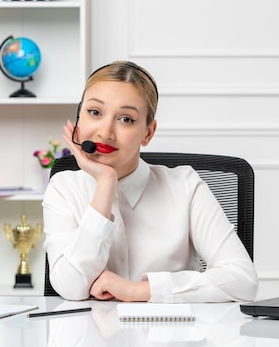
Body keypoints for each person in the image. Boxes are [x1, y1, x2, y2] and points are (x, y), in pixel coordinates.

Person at [42, 61, 258, 302]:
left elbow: (243, 280)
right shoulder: (63, 188)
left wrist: (139, 290)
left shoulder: (185, 186)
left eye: (126, 119)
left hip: (172, 337)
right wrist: (106, 185)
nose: (105, 132)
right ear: (78, 119)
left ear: (148, 133)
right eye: (95, 112)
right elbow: (71, 288)